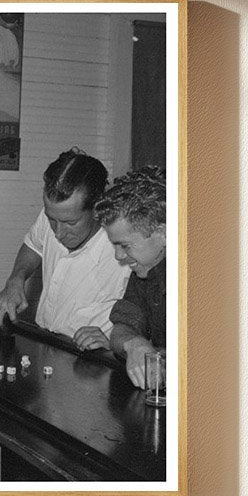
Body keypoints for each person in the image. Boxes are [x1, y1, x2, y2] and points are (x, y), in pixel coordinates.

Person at [0, 149, 129, 348]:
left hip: (93, 360)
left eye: (70, 223)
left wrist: (114, 346)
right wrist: (16, 279)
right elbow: (33, 245)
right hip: (46, 343)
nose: (58, 233)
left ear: (98, 208)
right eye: (52, 220)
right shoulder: (54, 214)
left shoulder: (125, 247)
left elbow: (148, 324)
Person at [94, 166, 167, 388]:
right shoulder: (145, 270)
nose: (119, 256)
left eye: (125, 245)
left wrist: (154, 353)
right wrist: (134, 344)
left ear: (163, 233)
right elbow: (121, 328)